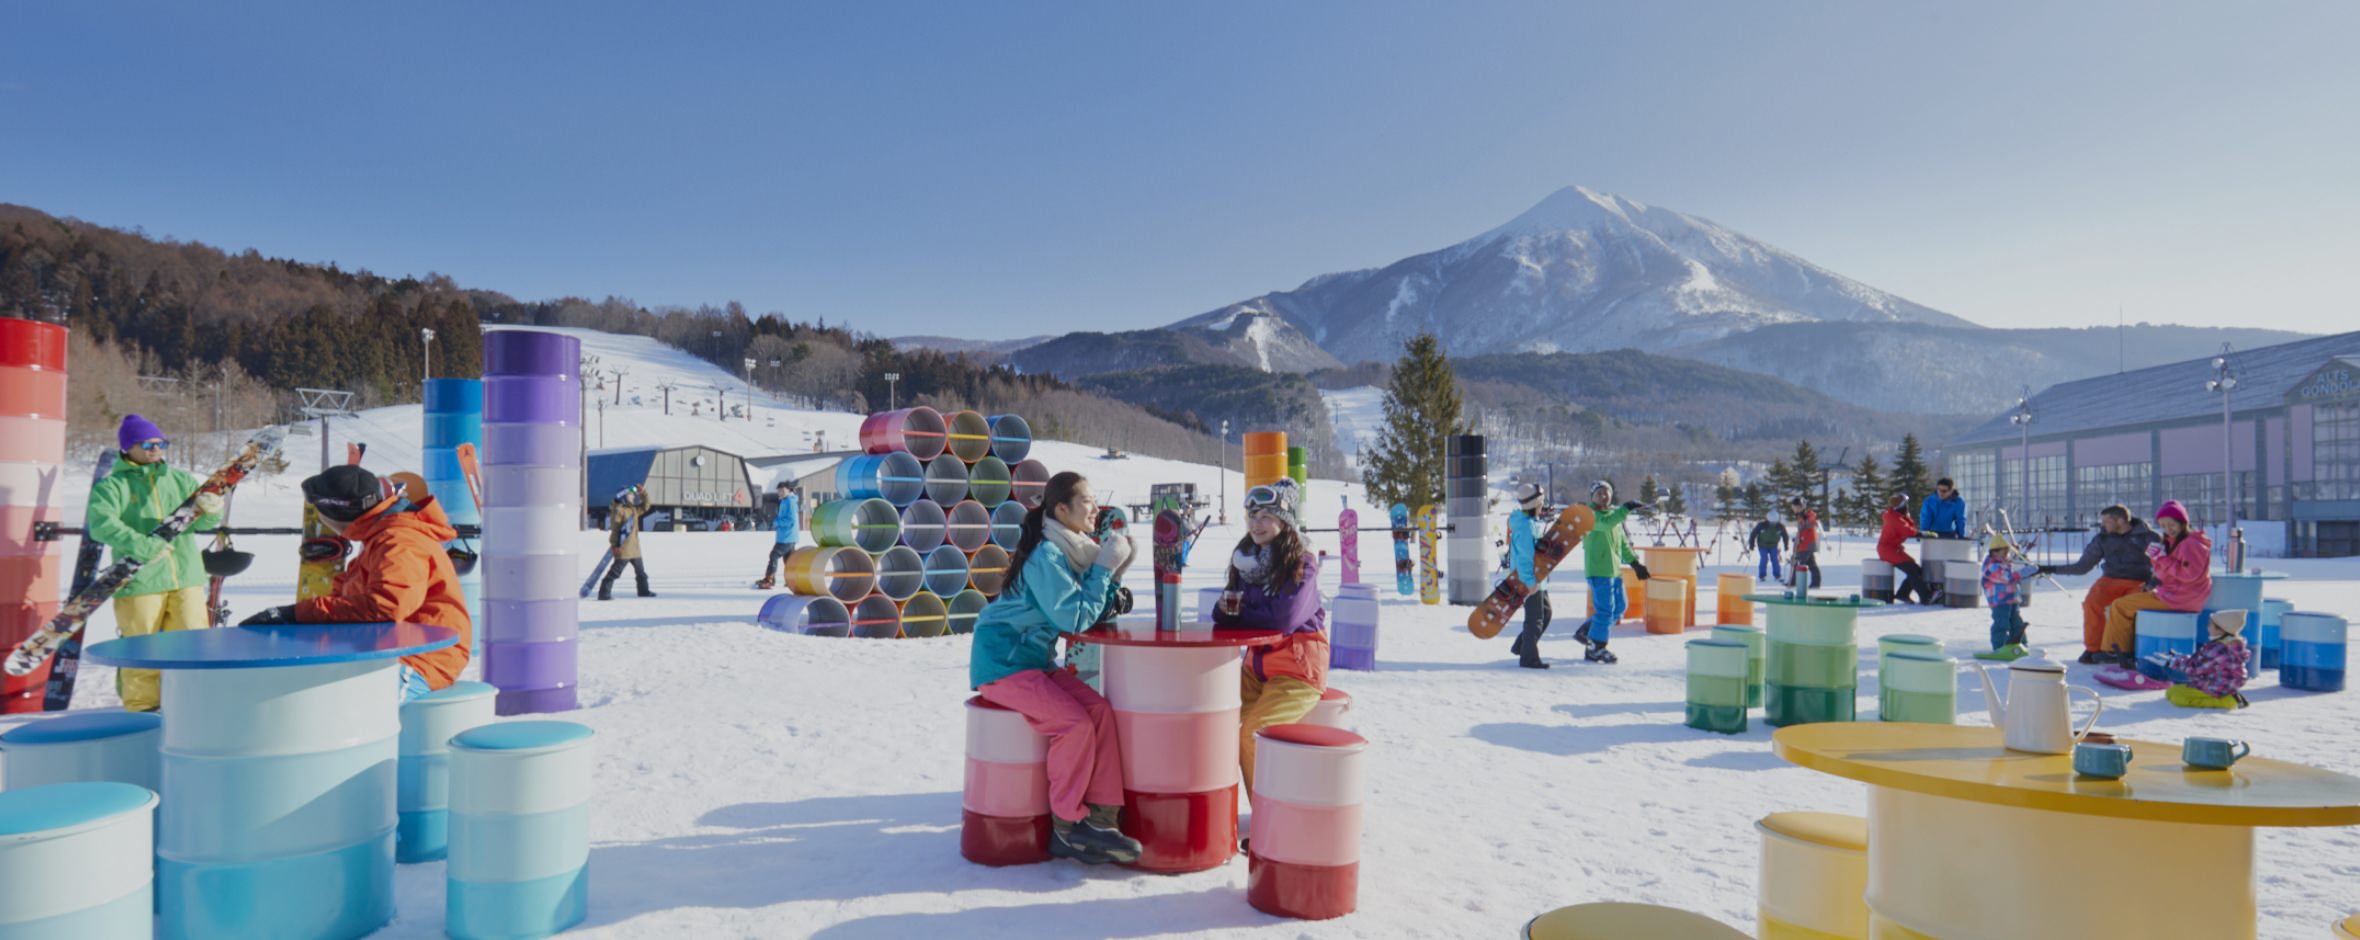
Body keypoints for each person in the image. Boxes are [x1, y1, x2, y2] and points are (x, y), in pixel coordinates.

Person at [967, 471, 1143, 865]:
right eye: (1087, 502)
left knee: (1098, 711)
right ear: (1061, 509)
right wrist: (1103, 570)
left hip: (1033, 662)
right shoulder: (1048, 555)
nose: (1095, 509)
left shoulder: (1072, 548)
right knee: (1073, 724)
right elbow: (1074, 619)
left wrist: (1114, 572)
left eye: (1096, 501)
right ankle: (1066, 824)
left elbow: (1091, 607)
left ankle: (1101, 819)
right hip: (1004, 663)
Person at [240, 465, 473, 699]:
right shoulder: (380, 536)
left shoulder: (399, 541)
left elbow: (387, 606)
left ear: (334, 514)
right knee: (302, 692)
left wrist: (297, 614)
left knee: (338, 711)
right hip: (386, 650)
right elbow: (347, 601)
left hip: (421, 659)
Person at [85, 414, 224, 712]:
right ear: (128, 447)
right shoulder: (113, 487)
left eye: (161, 443)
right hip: (139, 580)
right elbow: (100, 524)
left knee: (193, 647)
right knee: (141, 650)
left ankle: (193, 706)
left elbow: (199, 523)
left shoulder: (180, 480)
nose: (155, 449)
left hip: (185, 576)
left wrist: (212, 511)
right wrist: (143, 546)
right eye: (147, 444)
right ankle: (143, 712)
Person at [1213, 479, 1332, 799]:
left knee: (1254, 734)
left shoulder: (1301, 564)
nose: (1257, 523)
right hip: (1256, 668)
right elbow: (1223, 614)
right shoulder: (1246, 561)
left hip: (1297, 672)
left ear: (1285, 521)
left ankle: (1271, 821)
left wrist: (1243, 612)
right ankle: (1211, 813)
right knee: (1208, 718)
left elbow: (1284, 618)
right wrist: (1232, 610)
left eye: (1266, 516)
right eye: (1251, 516)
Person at [2037, 504, 2160, 665]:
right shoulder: (2103, 539)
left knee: (2124, 608)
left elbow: (2161, 565)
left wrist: (2152, 583)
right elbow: (2082, 567)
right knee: (2092, 603)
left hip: (2139, 581)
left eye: (2106, 521)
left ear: (2121, 521)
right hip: (2110, 580)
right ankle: (2094, 649)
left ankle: (2122, 650)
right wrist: (2050, 568)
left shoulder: (2148, 537)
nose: (2102, 525)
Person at [2100, 500, 2211, 665]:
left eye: (2171, 524)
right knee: (2126, 604)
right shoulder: (2175, 542)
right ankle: (2125, 649)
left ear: (2183, 523)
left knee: (2120, 606)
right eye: (2163, 525)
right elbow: (2165, 575)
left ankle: (2116, 650)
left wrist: (2162, 559)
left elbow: (2189, 575)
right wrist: (2155, 560)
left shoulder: (2191, 544)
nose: (2168, 529)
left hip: (2181, 598)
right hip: (2176, 594)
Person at [1576, 481, 1648, 665]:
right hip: (1599, 571)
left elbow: (1622, 543)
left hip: (1614, 571)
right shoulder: (1591, 516)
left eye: (1606, 493)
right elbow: (1606, 525)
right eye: (1599, 493)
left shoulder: (1614, 516)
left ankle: (1587, 631)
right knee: (1606, 611)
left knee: (1619, 608)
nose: (1603, 496)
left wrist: (1635, 563)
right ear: (1592, 497)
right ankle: (1596, 648)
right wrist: (1625, 509)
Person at [2148, 611, 2250, 709]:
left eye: (2211, 624)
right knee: (2171, 692)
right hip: (2217, 683)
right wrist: (2177, 657)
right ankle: (2229, 695)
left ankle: (2226, 702)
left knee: (2177, 699)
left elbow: (2196, 669)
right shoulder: (2224, 644)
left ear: (2221, 629)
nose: (2208, 627)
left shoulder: (2220, 649)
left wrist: (2172, 663)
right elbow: (2198, 661)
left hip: (2217, 687)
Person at [1505, 483, 1555, 669]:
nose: (1542, 507)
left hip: (1537, 579)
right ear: (1534, 504)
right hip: (1529, 579)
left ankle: (1522, 646)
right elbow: (1525, 559)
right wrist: (1530, 582)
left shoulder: (1530, 523)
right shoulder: (1525, 527)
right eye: (1540, 504)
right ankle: (1529, 658)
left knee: (1546, 614)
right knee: (1535, 619)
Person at [1979, 533, 2036, 660]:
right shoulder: (1992, 566)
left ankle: (2021, 645)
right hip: (1999, 601)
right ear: (1994, 552)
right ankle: (1999, 647)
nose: (2006, 554)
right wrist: (2023, 573)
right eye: (2003, 552)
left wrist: (2030, 570)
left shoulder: (2004, 563)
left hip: (2011, 599)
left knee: (2016, 622)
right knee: (2001, 624)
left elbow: (2012, 575)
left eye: (2007, 551)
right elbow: (2007, 578)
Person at [598, 485, 655, 600]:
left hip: (634, 548)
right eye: (630, 495)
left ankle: (643, 591)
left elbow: (646, 506)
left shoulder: (633, 509)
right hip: (623, 548)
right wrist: (615, 545)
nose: (633, 496)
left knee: (641, 573)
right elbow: (616, 529)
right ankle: (604, 593)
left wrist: (643, 492)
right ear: (624, 496)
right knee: (615, 572)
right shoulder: (619, 510)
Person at [1877, 493, 1935, 605]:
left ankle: (1903, 594)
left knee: (1916, 570)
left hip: (1893, 549)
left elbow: (1908, 526)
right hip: (1888, 550)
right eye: (1906, 504)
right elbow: (1907, 530)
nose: (1907, 507)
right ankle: (1926, 597)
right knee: (1913, 570)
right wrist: (1922, 533)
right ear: (1902, 506)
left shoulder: (1896, 515)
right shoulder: (1894, 518)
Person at [754, 482, 802, 589]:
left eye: (782, 490)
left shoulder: (789, 502)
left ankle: (769, 580)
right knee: (789, 560)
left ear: (789, 490)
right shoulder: (786, 501)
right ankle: (792, 580)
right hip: (787, 536)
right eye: (779, 491)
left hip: (787, 537)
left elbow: (791, 520)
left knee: (774, 555)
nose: (780, 492)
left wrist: (777, 522)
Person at [1789, 496, 1823, 589]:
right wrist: (1798, 538)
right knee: (1812, 565)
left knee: (1799, 564)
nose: (1794, 509)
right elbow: (1802, 531)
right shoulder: (1800, 517)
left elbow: (1810, 523)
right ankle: (1815, 583)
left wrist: (1801, 537)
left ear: (1802, 507)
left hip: (1807, 545)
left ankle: (1794, 583)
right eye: (1793, 507)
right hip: (1804, 544)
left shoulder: (1808, 516)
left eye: (1796, 507)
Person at [1749, 511, 1788, 583]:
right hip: (1762, 545)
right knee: (1764, 559)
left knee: (1775, 559)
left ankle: (1777, 575)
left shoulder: (1780, 526)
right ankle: (1762, 576)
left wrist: (1786, 545)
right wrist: (1751, 544)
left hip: (1773, 545)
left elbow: (1785, 536)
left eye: (1774, 522)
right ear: (1767, 520)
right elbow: (1753, 534)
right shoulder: (1761, 525)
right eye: (1771, 522)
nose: (1772, 524)